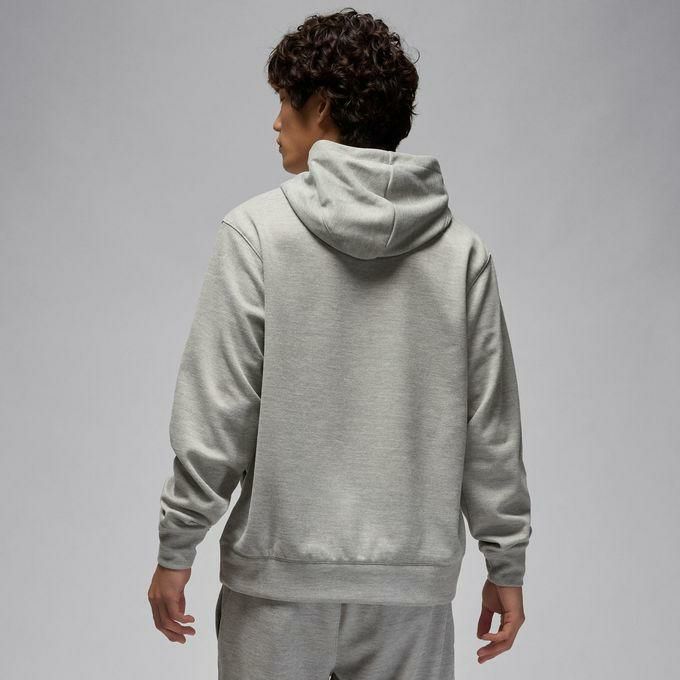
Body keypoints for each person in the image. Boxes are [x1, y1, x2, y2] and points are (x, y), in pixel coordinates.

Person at [147, 8, 532, 679]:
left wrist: (176, 547)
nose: (275, 123)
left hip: (277, 587)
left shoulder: (256, 234)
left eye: (284, 103)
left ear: (320, 107)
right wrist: (506, 562)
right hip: (410, 595)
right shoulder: (461, 254)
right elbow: (490, 430)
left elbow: (219, 414)